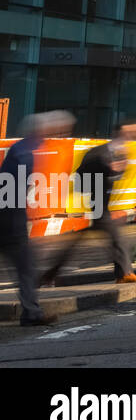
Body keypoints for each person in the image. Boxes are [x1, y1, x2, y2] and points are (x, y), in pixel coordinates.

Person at [41, 121, 136, 287]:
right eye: (128, 133)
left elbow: (116, 174)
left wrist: (115, 170)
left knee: (86, 240)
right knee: (117, 239)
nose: (131, 136)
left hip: (102, 204)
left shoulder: (119, 152)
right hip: (96, 201)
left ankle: (50, 274)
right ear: (120, 134)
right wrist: (108, 169)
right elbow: (83, 174)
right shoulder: (99, 153)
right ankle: (125, 274)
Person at [0, 112, 71, 326]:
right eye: (60, 129)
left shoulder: (24, 148)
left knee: (27, 266)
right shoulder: (27, 151)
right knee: (27, 267)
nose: (61, 134)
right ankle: (31, 313)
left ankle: (31, 312)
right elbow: (14, 186)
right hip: (9, 219)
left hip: (10, 215)